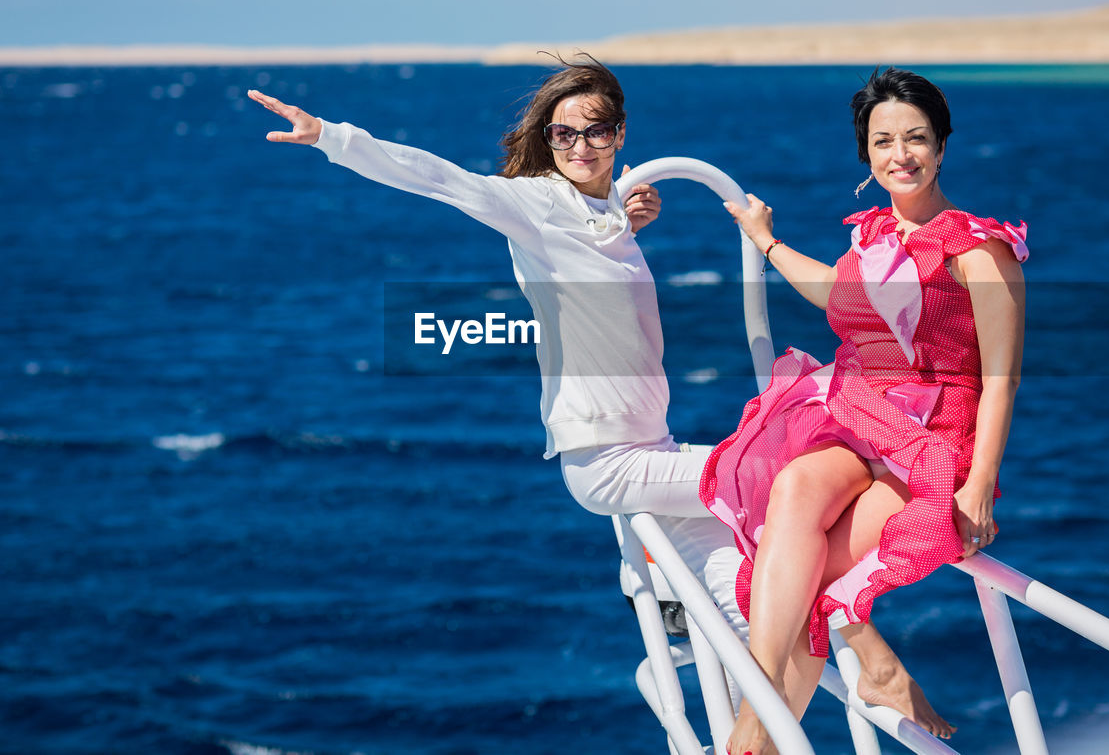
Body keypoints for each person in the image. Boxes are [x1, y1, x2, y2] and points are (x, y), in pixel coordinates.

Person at [248, 57, 947, 735]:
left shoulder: (604, 213)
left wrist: (623, 214)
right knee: (777, 487)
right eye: (564, 134)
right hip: (607, 457)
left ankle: (746, 727)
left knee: (756, 590)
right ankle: (877, 663)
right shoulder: (533, 206)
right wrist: (331, 137)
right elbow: (440, 178)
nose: (581, 145)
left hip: (653, 448)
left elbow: (597, 249)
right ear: (549, 142)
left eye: (596, 130)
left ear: (619, 135)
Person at [704, 67, 1027, 755]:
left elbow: (1002, 375)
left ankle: (756, 724)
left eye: (915, 138)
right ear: (867, 153)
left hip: (933, 442)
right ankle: (793, 699)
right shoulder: (871, 235)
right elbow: (838, 300)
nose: (899, 155)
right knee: (791, 491)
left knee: (807, 583)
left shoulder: (979, 248)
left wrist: (977, 485)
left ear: (942, 146)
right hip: (860, 414)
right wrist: (764, 240)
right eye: (883, 141)